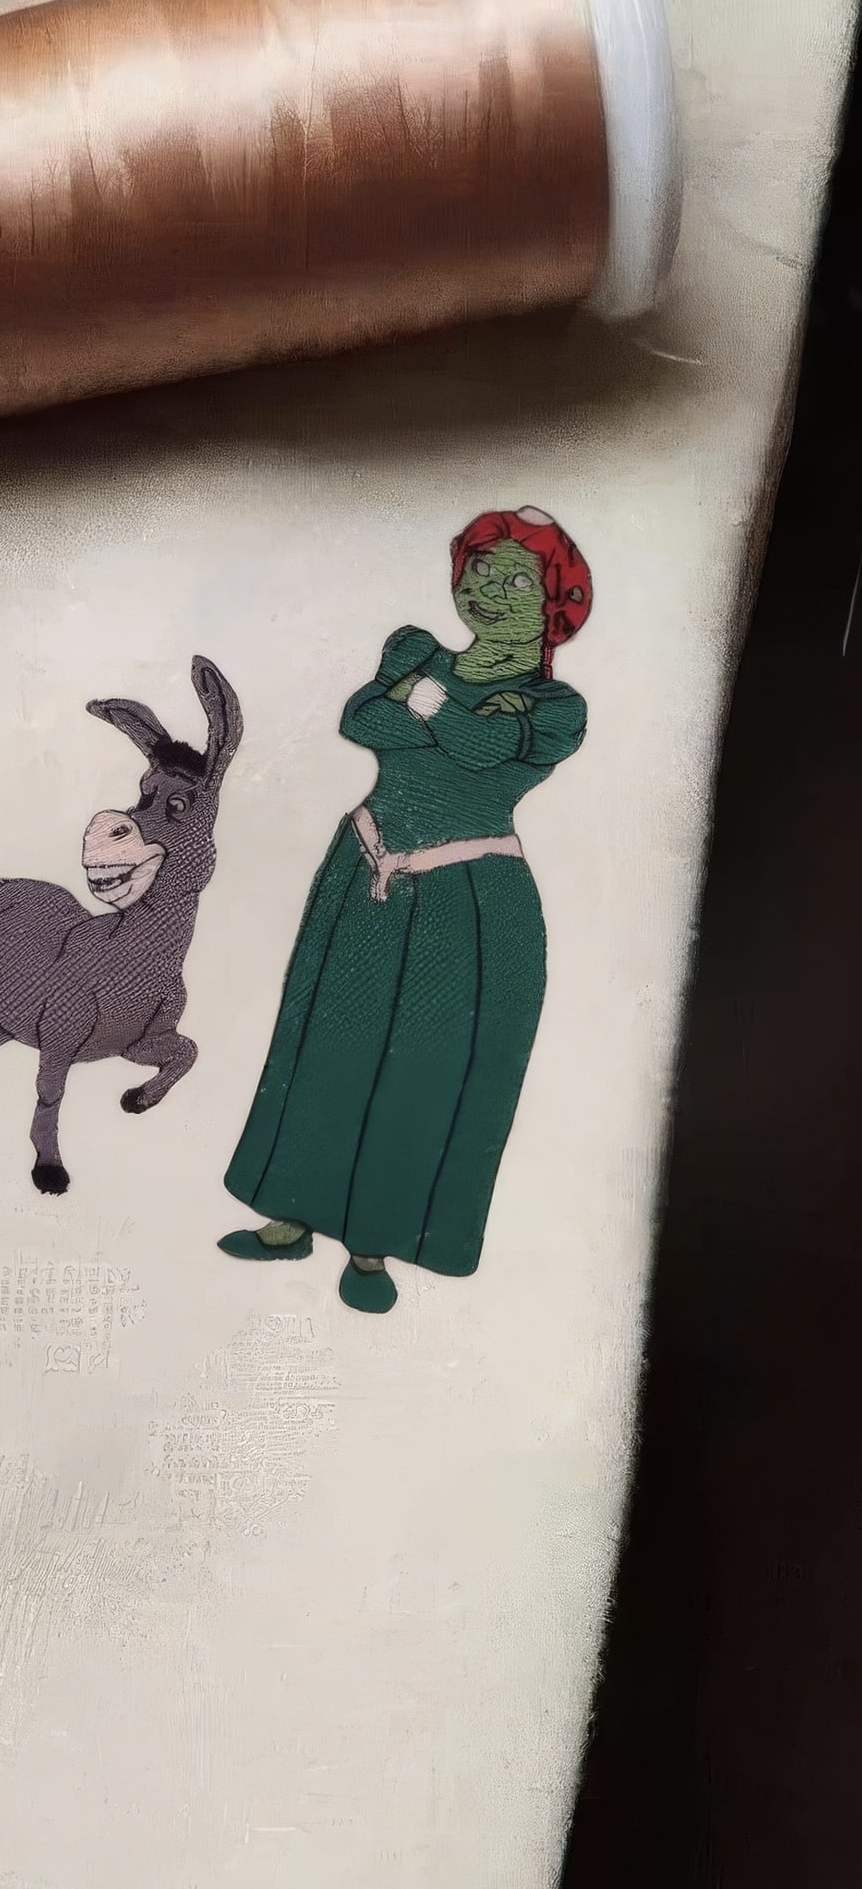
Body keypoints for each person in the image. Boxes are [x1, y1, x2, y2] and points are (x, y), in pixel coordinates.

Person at [219, 507, 594, 1312]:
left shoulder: (556, 707)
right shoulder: (420, 650)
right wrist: (442, 709)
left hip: (468, 900)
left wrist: (420, 701)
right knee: (323, 1044)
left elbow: (481, 753)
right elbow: (361, 719)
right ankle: (289, 1214)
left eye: (515, 579)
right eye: (477, 570)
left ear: (554, 602)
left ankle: (371, 1247)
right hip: (360, 871)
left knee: (422, 1068)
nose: (487, 590)